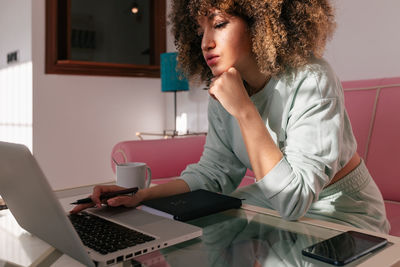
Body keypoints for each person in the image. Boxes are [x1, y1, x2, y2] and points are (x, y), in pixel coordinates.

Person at [72, 0, 390, 234]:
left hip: (344, 213)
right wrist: (141, 195)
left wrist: (243, 109)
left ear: (261, 22)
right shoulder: (223, 90)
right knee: (185, 237)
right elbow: (213, 174)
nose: (206, 42)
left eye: (220, 24)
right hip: (270, 204)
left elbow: (294, 200)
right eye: (201, 29)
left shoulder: (311, 79)